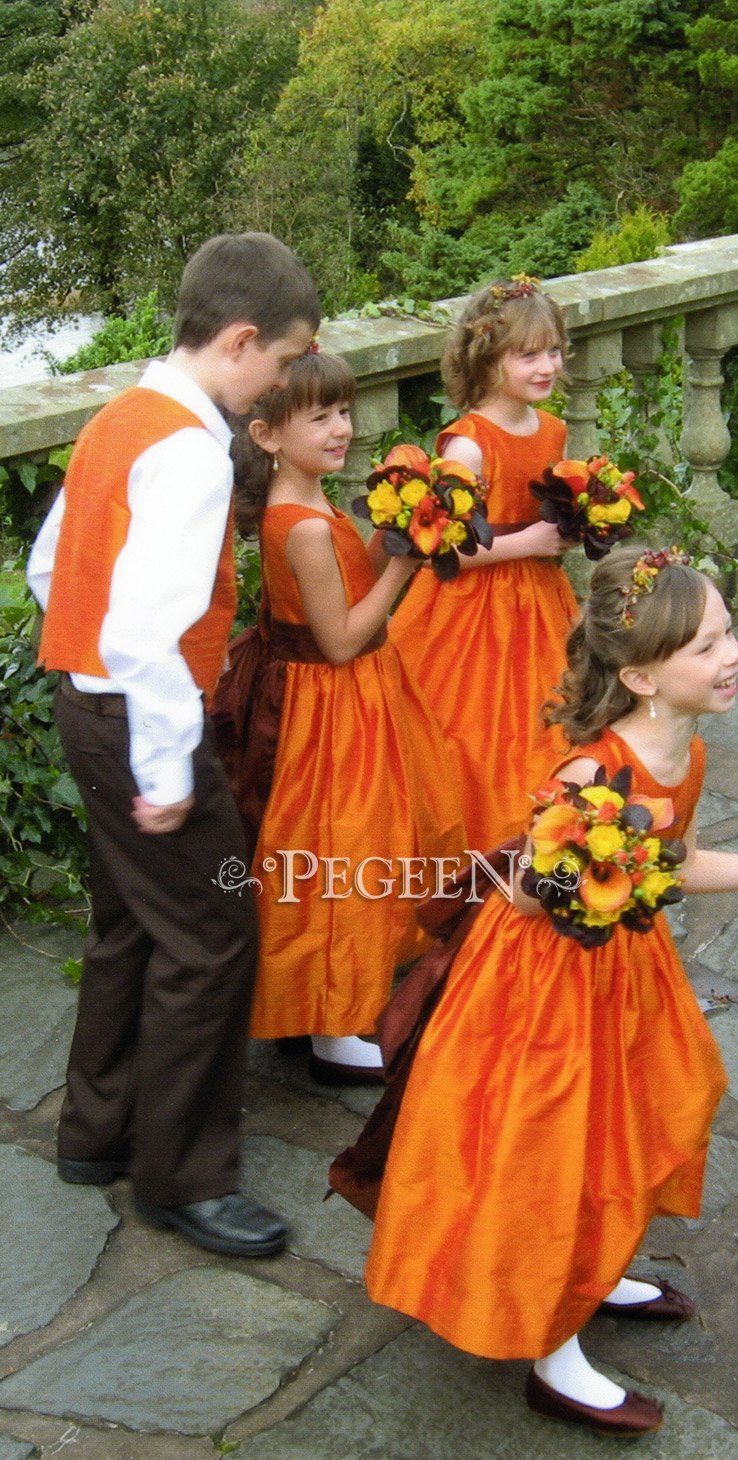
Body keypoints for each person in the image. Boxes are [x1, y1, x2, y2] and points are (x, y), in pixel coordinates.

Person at [362, 547, 738, 1434]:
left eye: (728, 633)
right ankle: (551, 1350)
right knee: (555, 1152)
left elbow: (674, 864)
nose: (732, 655)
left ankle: (592, 1270)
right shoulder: (588, 775)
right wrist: (577, 856)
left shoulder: (688, 752)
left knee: (659, 1104)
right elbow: (522, 892)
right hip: (543, 986)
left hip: (624, 971)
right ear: (640, 675)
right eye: (707, 645)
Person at [26, 232, 321, 1257]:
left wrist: (85, 672)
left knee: (130, 924)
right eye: (284, 363)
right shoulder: (193, 454)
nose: (283, 381)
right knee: (214, 933)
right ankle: (181, 1177)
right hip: (144, 724)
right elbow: (148, 633)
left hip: (89, 705)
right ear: (240, 341)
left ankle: (95, 1131)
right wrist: (162, 771)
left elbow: (48, 566)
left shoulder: (120, 415)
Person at [223, 350, 466, 1081]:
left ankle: (319, 1004)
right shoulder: (298, 524)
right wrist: (408, 557)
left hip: (340, 701)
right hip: (330, 711)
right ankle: (332, 1026)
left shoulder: (313, 505)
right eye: (320, 416)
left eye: (343, 412)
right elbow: (341, 638)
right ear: (267, 435)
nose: (341, 429)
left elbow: (342, 577)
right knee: (344, 853)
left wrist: (385, 531)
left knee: (348, 852)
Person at [388, 275, 579, 855]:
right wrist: (530, 544)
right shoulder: (468, 446)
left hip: (542, 604)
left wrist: (576, 522)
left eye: (553, 351)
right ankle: (477, 861)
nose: (547, 365)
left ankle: (548, 847)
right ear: (488, 359)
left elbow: (543, 510)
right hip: (471, 614)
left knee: (551, 724)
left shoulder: (553, 430)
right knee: (474, 738)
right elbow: (441, 547)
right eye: (528, 355)